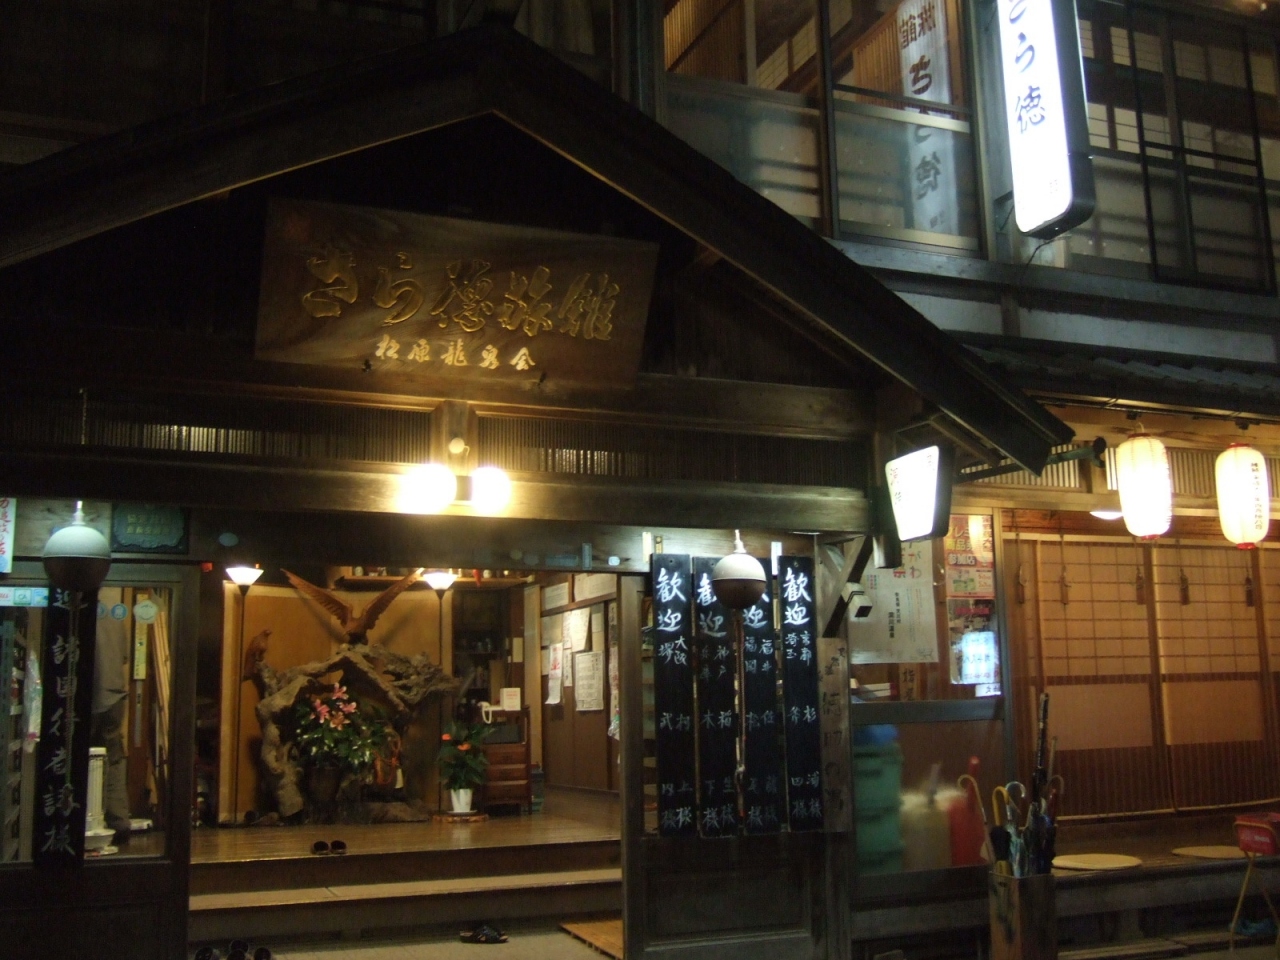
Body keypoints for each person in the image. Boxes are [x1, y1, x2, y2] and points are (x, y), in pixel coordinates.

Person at [91, 588, 132, 844]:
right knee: (113, 758)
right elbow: (124, 656)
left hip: (90, 697)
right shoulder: (115, 611)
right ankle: (119, 821)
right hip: (115, 696)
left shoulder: (79, 607)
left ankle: (85, 818)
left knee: (81, 759)